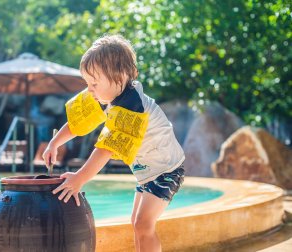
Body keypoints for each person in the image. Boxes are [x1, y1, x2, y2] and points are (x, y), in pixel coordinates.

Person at [42, 34, 185, 252]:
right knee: (137, 224)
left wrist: (80, 178)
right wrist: (55, 143)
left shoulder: (131, 105)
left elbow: (107, 148)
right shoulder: (106, 94)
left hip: (166, 171)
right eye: (88, 83)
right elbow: (78, 122)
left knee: (143, 224)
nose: (90, 89)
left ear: (119, 76)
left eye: (94, 83)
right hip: (148, 171)